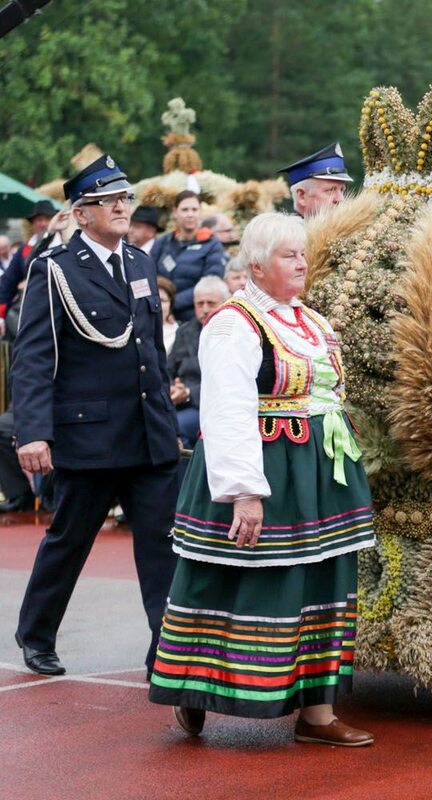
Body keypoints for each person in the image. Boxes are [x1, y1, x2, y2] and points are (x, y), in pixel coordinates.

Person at [148, 212, 376, 746]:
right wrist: (243, 492)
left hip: (317, 474)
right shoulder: (234, 322)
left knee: (324, 577)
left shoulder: (309, 321)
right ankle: (191, 688)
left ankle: (318, 713)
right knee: (232, 576)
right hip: (262, 468)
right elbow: (226, 410)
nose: (300, 263)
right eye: (287, 255)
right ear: (256, 264)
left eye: (302, 254)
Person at [11, 154, 180, 677]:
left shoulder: (141, 262)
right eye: (108, 200)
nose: (121, 207)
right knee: (69, 543)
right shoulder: (55, 271)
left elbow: (150, 348)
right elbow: (34, 356)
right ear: (81, 214)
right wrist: (34, 432)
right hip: (91, 435)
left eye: (124, 198)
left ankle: (167, 650)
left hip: (149, 435)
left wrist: (169, 419)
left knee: (162, 547)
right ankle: (36, 634)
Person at [166, 275, 229, 448]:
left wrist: (187, 392)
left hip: (213, 406)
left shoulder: (232, 332)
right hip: (181, 403)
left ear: (226, 303)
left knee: (174, 428)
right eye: (200, 304)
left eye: (211, 303)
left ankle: (190, 476)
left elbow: (226, 381)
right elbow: (168, 369)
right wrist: (171, 387)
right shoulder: (185, 330)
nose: (205, 309)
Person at [150, 190, 226, 321]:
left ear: (200, 212)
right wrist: (161, 305)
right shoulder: (162, 243)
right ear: (175, 212)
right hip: (160, 315)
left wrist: (171, 304)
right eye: (185, 210)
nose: (190, 214)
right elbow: (148, 275)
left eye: (194, 209)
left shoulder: (212, 245)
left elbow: (210, 283)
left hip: (194, 317)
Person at [279, 142, 354, 218]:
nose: (340, 199)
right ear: (302, 196)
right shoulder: (282, 229)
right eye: (331, 190)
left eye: (342, 190)